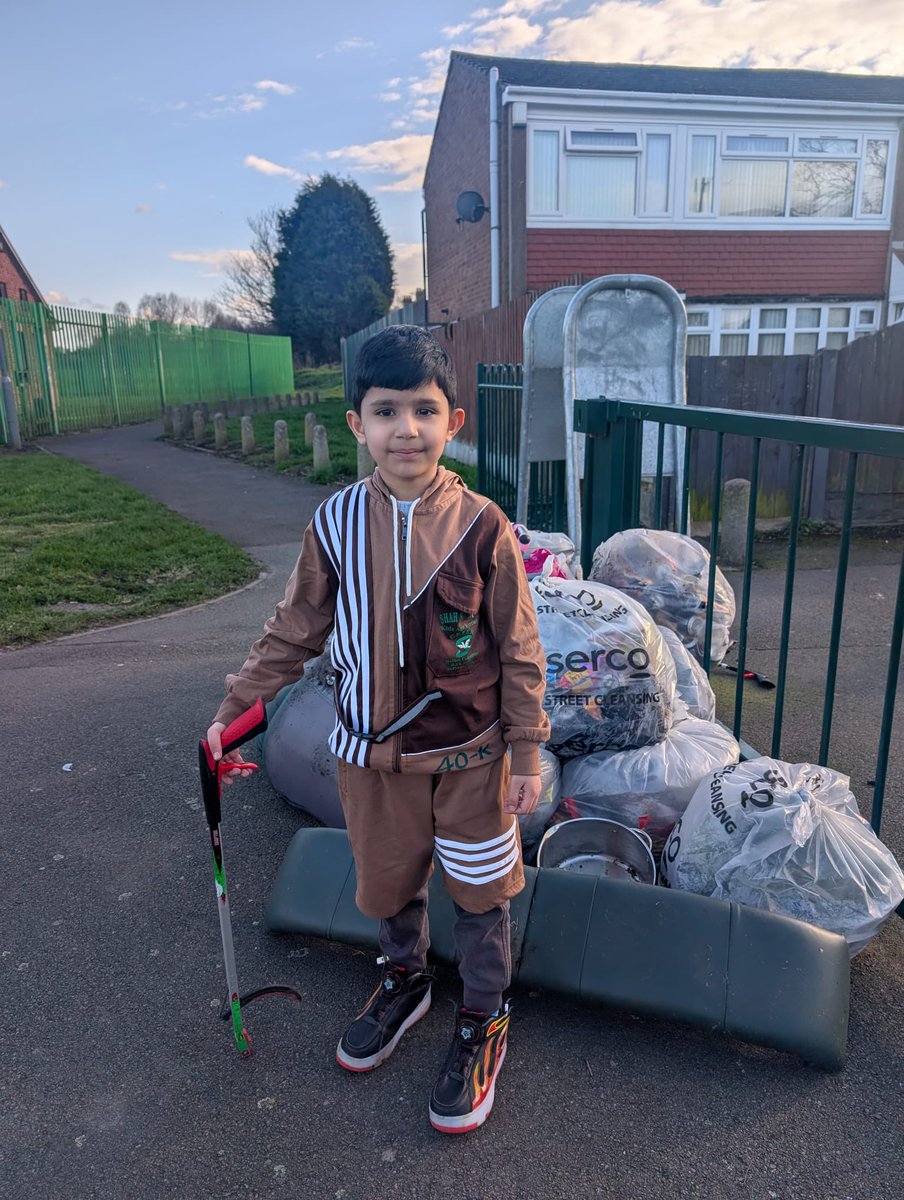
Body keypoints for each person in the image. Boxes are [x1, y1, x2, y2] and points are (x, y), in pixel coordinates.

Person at [206, 324, 549, 1134]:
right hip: (370, 760)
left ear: (453, 422)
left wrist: (527, 749)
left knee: (482, 897)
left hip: (470, 760)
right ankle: (405, 979)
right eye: (386, 410)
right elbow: (293, 630)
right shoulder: (332, 524)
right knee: (388, 888)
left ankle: (483, 1015)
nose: (407, 429)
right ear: (356, 424)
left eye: (424, 410)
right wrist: (229, 717)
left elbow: (521, 647)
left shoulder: (483, 525)